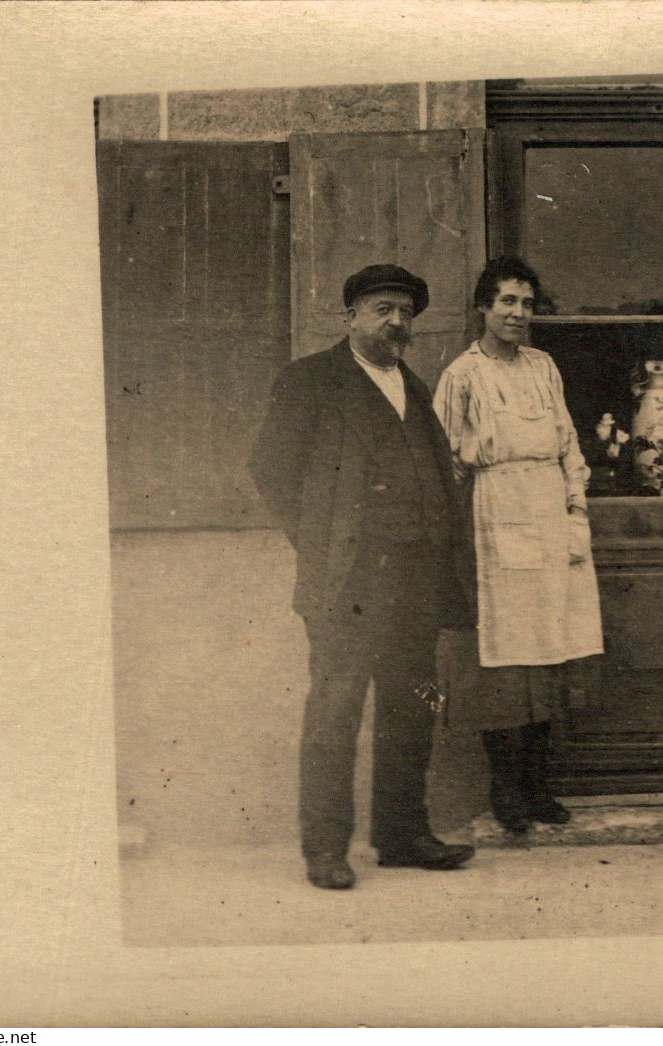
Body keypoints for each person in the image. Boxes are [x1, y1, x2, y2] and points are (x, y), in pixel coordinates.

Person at [248, 264, 476, 890]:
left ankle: (401, 836)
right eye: (382, 309)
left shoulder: (415, 387)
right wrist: (320, 548)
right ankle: (324, 849)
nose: (396, 322)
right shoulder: (311, 382)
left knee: (413, 704)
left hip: (416, 579)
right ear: (350, 316)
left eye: (405, 312)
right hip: (346, 584)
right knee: (337, 708)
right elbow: (271, 470)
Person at [434, 256, 604, 834]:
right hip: (495, 517)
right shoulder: (463, 374)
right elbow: (442, 462)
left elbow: (569, 448)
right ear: (484, 306)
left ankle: (538, 786)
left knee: (549, 652)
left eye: (527, 304)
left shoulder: (543, 367)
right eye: (506, 301)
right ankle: (505, 789)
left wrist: (575, 512)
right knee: (505, 662)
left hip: (550, 516)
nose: (517, 313)